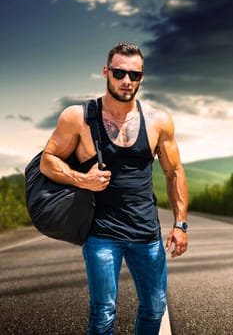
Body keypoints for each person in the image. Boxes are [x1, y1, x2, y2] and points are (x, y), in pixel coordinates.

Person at [40, 42, 188, 335]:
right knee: (104, 314)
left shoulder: (158, 121)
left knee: (155, 307)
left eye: (134, 75)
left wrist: (180, 223)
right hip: (101, 234)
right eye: (119, 73)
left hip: (147, 234)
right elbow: (48, 160)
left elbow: (174, 172)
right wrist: (82, 180)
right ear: (106, 72)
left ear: (142, 77)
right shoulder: (78, 117)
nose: (126, 81)